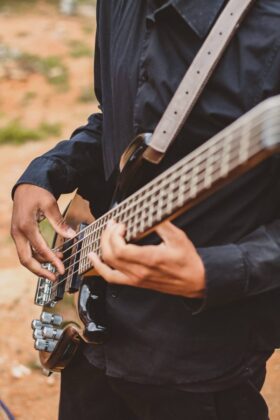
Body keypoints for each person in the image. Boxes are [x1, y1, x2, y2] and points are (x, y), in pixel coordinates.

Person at [11, 1, 280, 419]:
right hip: (90, 341)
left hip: (199, 366)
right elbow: (115, 123)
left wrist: (217, 270)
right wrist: (47, 171)